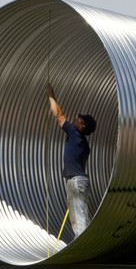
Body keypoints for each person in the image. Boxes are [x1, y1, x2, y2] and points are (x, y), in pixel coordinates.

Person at [46, 83, 97, 237]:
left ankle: (82, 245)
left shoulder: (74, 134)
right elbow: (84, 165)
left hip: (75, 181)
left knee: (77, 217)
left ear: (82, 126)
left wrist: (50, 94)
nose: (75, 119)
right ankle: (86, 241)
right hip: (82, 181)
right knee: (82, 213)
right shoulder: (85, 144)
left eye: (78, 119)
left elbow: (58, 115)